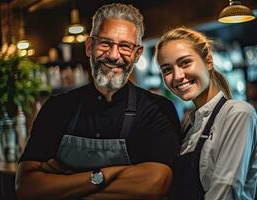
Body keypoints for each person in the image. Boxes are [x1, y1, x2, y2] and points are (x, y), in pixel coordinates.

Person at [15, 3, 181, 200]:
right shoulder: (56, 108)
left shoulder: (158, 110)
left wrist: (69, 184)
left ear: (137, 55)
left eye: (125, 46)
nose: (113, 55)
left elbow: (156, 183)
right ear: (89, 47)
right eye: (105, 43)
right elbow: (26, 187)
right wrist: (111, 175)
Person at [155, 27, 257, 200]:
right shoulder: (189, 127)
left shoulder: (238, 114)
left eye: (185, 63)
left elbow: (225, 191)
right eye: (167, 69)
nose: (177, 76)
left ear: (208, 61)